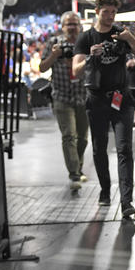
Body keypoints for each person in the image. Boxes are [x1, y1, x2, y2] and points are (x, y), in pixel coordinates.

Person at [72, 0, 135, 218]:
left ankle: (126, 201)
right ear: (97, 11)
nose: (110, 16)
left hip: (121, 99)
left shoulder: (120, 34)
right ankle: (105, 190)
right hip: (96, 99)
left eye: (113, 12)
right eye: (106, 12)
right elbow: (75, 71)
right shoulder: (86, 38)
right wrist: (89, 57)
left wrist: (130, 39)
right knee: (99, 148)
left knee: (125, 148)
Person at [40, 11, 89, 190]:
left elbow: (93, 66)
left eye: (74, 24)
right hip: (61, 96)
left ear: (80, 26)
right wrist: (54, 56)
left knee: (82, 138)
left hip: (83, 96)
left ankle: (78, 167)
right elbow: (42, 67)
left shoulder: (85, 43)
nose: (72, 27)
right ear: (62, 27)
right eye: (68, 24)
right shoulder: (54, 44)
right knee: (69, 135)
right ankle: (74, 173)